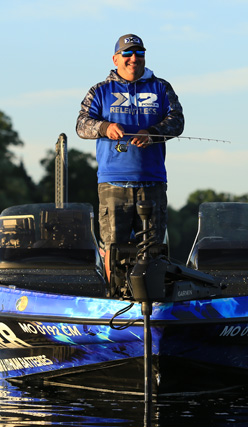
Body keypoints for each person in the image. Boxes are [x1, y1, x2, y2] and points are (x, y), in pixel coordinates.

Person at [76, 33, 184, 264]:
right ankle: (113, 296)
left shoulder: (162, 87)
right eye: (127, 53)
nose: (133, 58)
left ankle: (152, 297)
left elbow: (177, 122)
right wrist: (105, 127)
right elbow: (81, 125)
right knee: (113, 252)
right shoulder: (100, 90)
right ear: (116, 59)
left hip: (153, 183)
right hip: (112, 184)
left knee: (154, 253)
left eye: (139, 53)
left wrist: (153, 134)